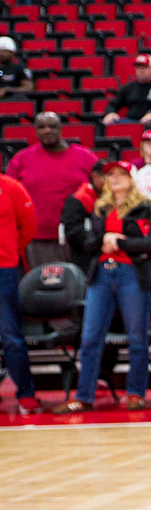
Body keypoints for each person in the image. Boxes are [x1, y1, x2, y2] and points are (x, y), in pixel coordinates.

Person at [51, 161, 151, 413]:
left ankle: (135, 393)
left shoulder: (146, 206)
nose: (115, 178)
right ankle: (84, 396)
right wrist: (103, 239)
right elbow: (88, 243)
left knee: (137, 337)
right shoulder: (100, 207)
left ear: (131, 178)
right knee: (90, 338)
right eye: (111, 174)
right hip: (101, 274)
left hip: (132, 274)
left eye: (121, 174)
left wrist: (120, 242)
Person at [7, 112, 98, 268]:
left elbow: (102, 192)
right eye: (41, 127)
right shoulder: (21, 159)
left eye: (52, 126)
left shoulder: (86, 158)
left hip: (78, 239)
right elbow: (9, 198)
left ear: (61, 129)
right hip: (37, 239)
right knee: (43, 288)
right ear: (35, 130)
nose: (47, 130)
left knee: (78, 287)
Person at [0, 169, 34, 411]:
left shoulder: (11, 187)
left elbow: (29, 226)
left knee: (11, 336)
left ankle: (26, 394)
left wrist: (9, 254)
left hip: (3, 270)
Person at [100, 53, 151, 126]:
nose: (141, 70)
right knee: (111, 121)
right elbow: (114, 104)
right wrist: (111, 113)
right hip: (132, 121)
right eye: (138, 68)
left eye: (144, 67)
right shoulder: (129, 87)